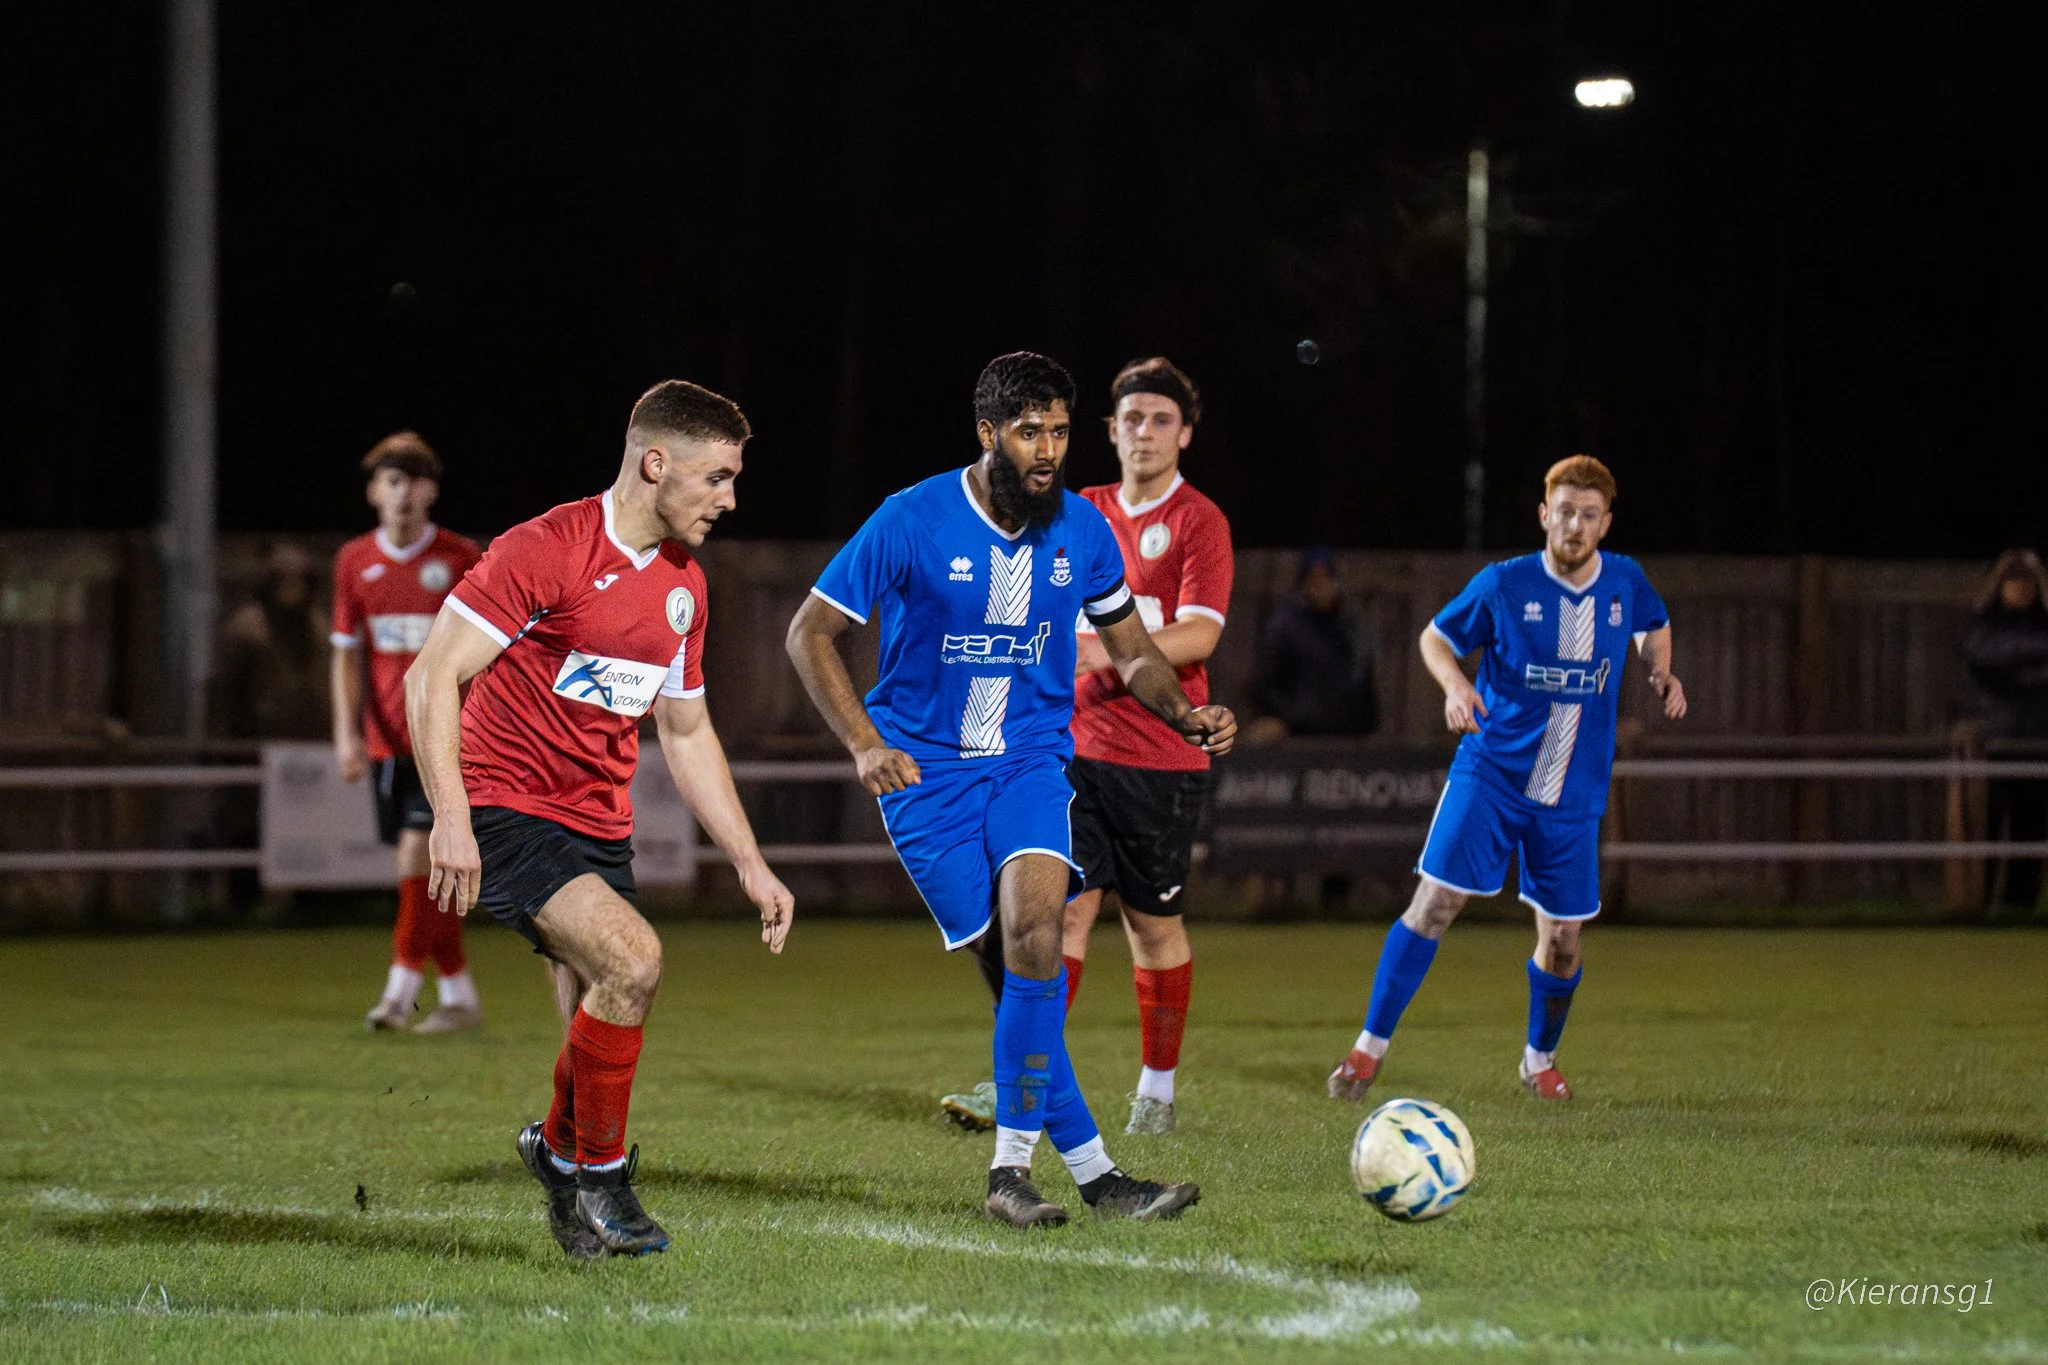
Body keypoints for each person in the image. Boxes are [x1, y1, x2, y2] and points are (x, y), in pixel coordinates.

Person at [786, 352, 1234, 1227]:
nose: (1048, 450)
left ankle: (1010, 1173)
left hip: (1030, 761)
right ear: (988, 432)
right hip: (925, 775)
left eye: (1060, 431)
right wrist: (864, 742)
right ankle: (1103, 1180)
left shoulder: (1079, 529)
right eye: (1030, 431)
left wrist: (1183, 714)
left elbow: (1136, 648)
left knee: (1039, 931)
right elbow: (810, 634)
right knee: (1013, 972)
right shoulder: (909, 519)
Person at [405, 380, 795, 1260]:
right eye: (717, 477)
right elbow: (431, 676)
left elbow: (687, 730)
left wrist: (749, 862)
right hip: (506, 805)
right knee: (637, 958)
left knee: (598, 1010)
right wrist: (451, 820)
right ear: (656, 463)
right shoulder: (545, 549)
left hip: (597, 823)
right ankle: (606, 1182)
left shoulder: (686, 589)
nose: (730, 498)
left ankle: (560, 1157)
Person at [1327, 456, 1686, 1104]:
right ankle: (1366, 1050)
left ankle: (1538, 1059)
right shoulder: (1504, 584)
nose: (1575, 524)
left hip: (1572, 794)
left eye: (1589, 514)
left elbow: (1653, 625)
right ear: (1545, 514)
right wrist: (1457, 683)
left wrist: (1660, 670)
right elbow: (1435, 637)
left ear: (1606, 523)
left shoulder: (1625, 582)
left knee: (1565, 939)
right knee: (1434, 903)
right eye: (1565, 511)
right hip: (1491, 773)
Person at [937, 357, 1231, 1137]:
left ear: (1185, 434)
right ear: (1110, 430)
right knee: (1057, 918)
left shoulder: (1198, 520)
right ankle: (1023, 1080)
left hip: (1162, 754)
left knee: (1152, 926)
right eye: (1131, 418)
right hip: (1069, 751)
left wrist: (1106, 649)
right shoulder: (1074, 509)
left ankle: (1157, 1091)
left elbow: (1202, 631)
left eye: (1160, 419)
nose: (1144, 431)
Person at [330, 432, 486, 1033]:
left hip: (446, 740)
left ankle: (399, 993)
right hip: (386, 742)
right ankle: (460, 997)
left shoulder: (460, 557)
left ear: (432, 493)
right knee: (425, 873)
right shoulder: (354, 562)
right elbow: (345, 654)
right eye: (393, 481)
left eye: (416, 482)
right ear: (374, 492)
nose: (404, 493)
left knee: (417, 854)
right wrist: (346, 734)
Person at [1964, 549, 2048, 913]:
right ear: (2001, 585)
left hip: (2040, 739)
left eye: (2027, 581)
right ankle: (1981, 906)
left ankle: (2020, 907)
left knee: (2032, 827)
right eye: (2014, 581)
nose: (2020, 588)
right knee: (1989, 825)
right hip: (1999, 739)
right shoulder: (1986, 624)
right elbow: (1987, 656)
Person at [1249, 546, 1378, 742]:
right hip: (1298, 732)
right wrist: (1293, 719)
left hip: (1346, 733)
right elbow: (1269, 686)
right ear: (1304, 582)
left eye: (1326, 576)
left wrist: (1365, 726)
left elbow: (1363, 686)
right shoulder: (1284, 626)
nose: (1321, 585)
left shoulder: (1349, 630)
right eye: (1314, 577)